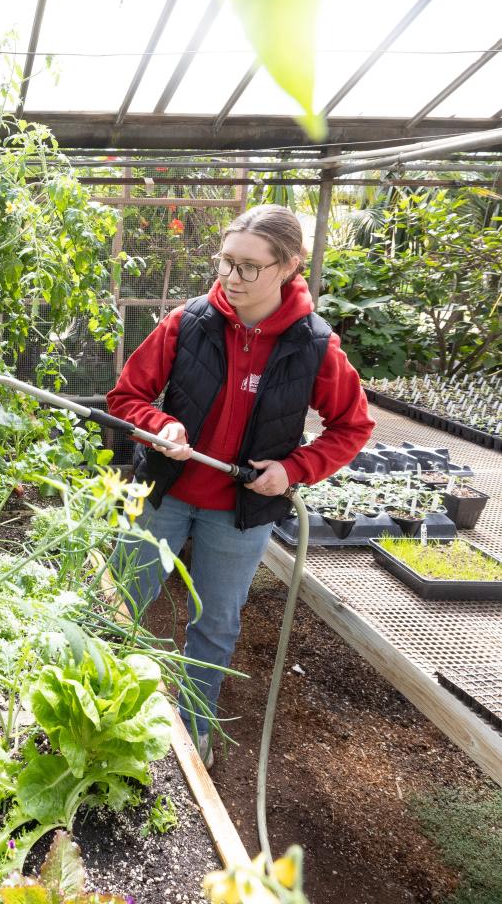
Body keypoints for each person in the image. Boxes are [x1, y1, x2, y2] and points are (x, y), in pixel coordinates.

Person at [106, 205, 374, 769]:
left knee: (215, 623)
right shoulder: (189, 322)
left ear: (290, 266)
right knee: (121, 599)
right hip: (167, 494)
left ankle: (192, 730)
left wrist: (293, 470)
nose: (231, 276)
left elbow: (353, 426)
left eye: (249, 267)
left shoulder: (314, 346)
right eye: (226, 261)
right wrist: (162, 428)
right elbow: (126, 397)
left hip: (239, 512)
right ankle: (99, 708)